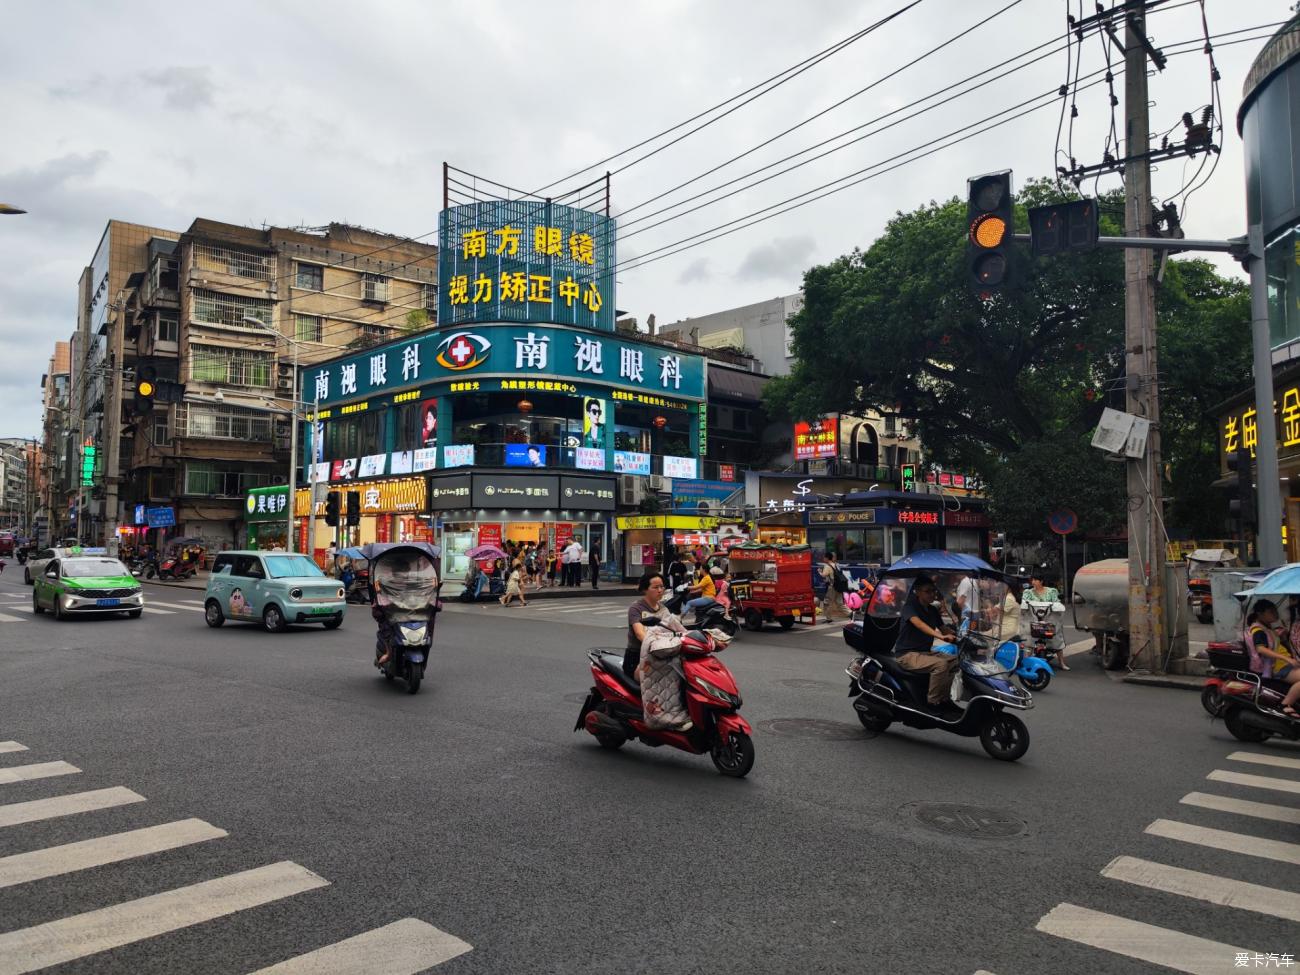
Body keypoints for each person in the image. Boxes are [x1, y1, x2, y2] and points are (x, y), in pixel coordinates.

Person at [889, 576, 961, 715]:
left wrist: (962, 636)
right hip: (907, 654)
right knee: (941, 665)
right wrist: (941, 636)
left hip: (924, 652)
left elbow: (943, 628)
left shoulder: (932, 610)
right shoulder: (909, 606)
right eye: (928, 591)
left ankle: (944, 700)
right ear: (917, 591)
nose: (932, 594)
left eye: (933, 591)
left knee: (955, 661)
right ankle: (932, 703)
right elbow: (919, 624)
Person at [1245, 599, 1300, 717]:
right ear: (1260, 614)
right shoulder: (1258, 631)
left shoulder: (1267, 628)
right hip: (1279, 667)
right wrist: (1287, 659)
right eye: (1271, 611)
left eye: (1275, 610)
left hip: (1285, 664)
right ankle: (1285, 705)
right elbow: (1261, 649)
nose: (1276, 614)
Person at [625, 572, 671, 678]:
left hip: (661, 655)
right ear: (645, 589)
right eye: (655, 587)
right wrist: (658, 645)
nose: (660, 590)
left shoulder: (664, 608)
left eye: (661, 587)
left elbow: (673, 629)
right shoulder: (636, 608)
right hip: (637, 657)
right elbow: (640, 634)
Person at [1023, 572, 1067, 669]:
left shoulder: (1052, 591)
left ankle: (1062, 663)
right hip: (1034, 620)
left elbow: (1057, 603)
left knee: (1057, 638)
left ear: (1041, 581)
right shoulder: (1028, 592)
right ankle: (1025, 664)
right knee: (1029, 640)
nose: (1033, 582)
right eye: (1032, 580)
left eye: (1035, 580)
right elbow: (1024, 604)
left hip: (1049, 620)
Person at [821, 554, 849, 622]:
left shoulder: (827, 566)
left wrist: (819, 572)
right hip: (839, 586)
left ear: (827, 558)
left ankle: (828, 618)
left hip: (832, 587)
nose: (823, 559)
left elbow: (824, 575)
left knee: (827, 602)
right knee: (840, 603)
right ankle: (851, 613)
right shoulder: (836, 565)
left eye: (824, 558)